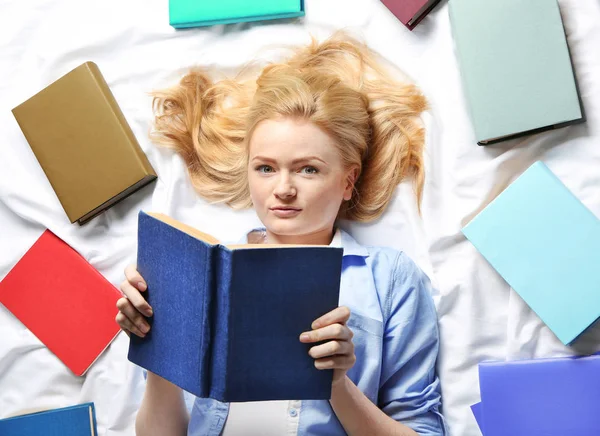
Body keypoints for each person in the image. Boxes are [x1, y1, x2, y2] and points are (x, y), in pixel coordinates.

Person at [116, 33, 447, 436]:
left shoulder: (389, 279)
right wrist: (159, 347)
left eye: (308, 169)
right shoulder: (204, 271)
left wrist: (337, 384)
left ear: (347, 181)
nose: (283, 189)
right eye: (266, 168)